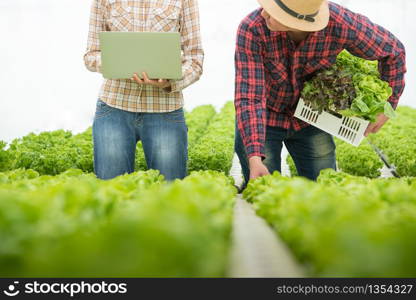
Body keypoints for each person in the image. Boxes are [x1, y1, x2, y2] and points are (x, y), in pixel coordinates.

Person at [234, 0, 406, 186]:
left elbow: (393, 51)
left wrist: (388, 104)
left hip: (310, 118)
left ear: (297, 20)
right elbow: (250, 96)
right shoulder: (252, 28)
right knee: (265, 189)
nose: (263, 14)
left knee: (324, 188)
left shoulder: (340, 23)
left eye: (273, 12)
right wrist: (254, 158)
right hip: (264, 118)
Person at [84, 0, 203, 180]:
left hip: (165, 110)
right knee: (112, 192)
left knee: (169, 193)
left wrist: (168, 81)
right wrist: (121, 64)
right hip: (114, 107)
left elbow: (195, 60)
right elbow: (91, 55)